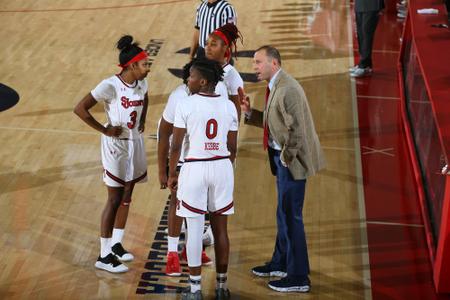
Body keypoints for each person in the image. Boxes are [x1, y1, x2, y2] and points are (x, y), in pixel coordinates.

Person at [240, 46, 325, 292]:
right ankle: (281, 262)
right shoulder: (276, 84)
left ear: (274, 63)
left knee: (291, 216)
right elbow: (275, 121)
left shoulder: (287, 89)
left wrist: (286, 157)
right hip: (282, 158)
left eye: (258, 62)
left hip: (291, 161)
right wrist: (250, 114)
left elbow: (297, 131)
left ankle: (299, 277)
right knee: (283, 213)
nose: (254, 66)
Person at [73, 35, 149, 273]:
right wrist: (105, 129)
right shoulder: (109, 85)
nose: (148, 68)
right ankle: (103, 255)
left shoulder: (142, 84)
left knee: (127, 195)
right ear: (131, 65)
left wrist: (143, 120)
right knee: (114, 199)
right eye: (145, 64)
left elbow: (144, 99)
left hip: (134, 143)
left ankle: (116, 244)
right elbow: (80, 109)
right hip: (116, 146)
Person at [168, 58, 238, 300]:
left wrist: (171, 173)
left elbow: (176, 144)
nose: (188, 80)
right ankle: (221, 287)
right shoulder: (229, 106)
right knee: (221, 231)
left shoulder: (186, 104)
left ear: (204, 81)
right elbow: (233, 147)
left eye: (191, 77)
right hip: (221, 166)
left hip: (195, 167)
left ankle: (195, 289)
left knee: (195, 230)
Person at [158, 60, 228, 276]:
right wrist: (164, 169)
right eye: (189, 77)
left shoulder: (220, 90)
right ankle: (171, 254)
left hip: (204, 157)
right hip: (182, 158)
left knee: (200, 205)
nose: (190, 80)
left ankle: (190, 250)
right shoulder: (179, 96)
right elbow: (164, 133)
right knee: (177, 203)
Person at [205, 22, 244, 119]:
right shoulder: (201, 70)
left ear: (225, 48)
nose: (208, 48)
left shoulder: (232, 76)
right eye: (206, 44)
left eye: (213, 44)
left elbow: (236, 112)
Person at [349, 0, 385, 77]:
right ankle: (365, 63)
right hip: (360, 4)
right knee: (360, 33)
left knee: (367, 34)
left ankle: (364, 65)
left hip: (372, 5)